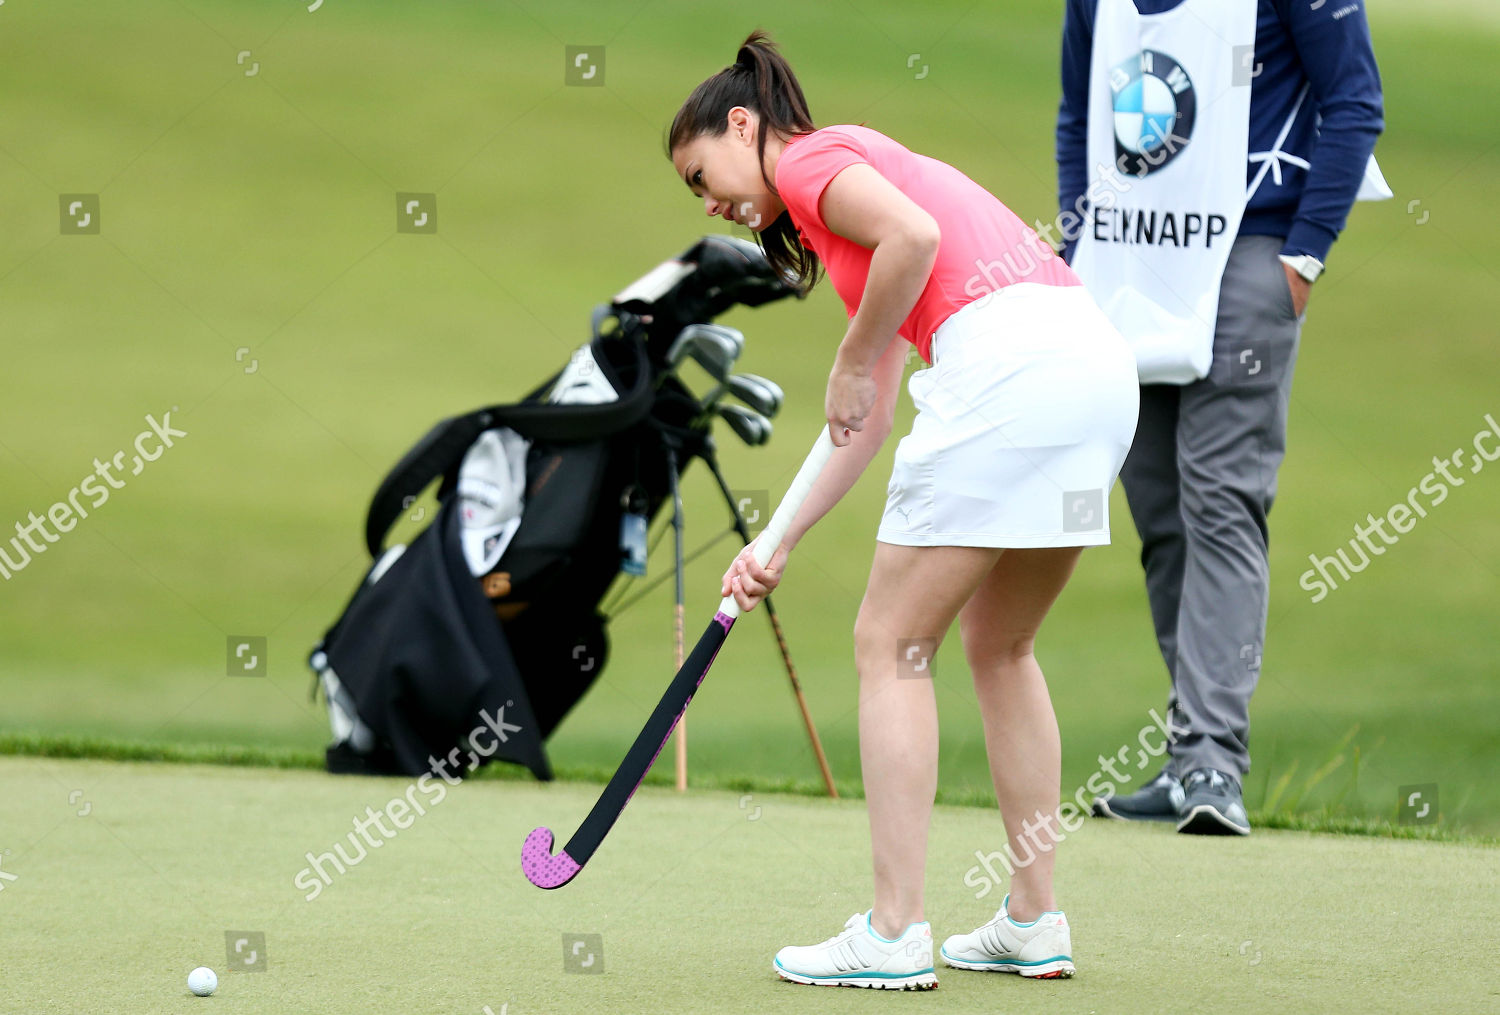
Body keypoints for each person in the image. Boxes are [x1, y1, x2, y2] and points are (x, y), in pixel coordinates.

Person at [667, 31, 1138, 989]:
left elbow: (912, 244)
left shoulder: (807, 160)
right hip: (1092, 370)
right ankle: (1034, 918)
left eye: (701, 170)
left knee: (890, 642)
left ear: (744, 124)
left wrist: (846, 357)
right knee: (999, 645)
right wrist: (777, 538)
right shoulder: (858, 229)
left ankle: (892, 932)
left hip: (1010, 369)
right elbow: (864, 417)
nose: (709, 199)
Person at [1055, 0, 1385, 834]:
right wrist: (1074, 248)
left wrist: (1305, 252)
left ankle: (1212, 759)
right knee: (1159, 510)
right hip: (1128, 260)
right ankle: (1188, 756)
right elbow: (1081, 111)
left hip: (1248, 254)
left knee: (1221, 499)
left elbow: (1354, 97)